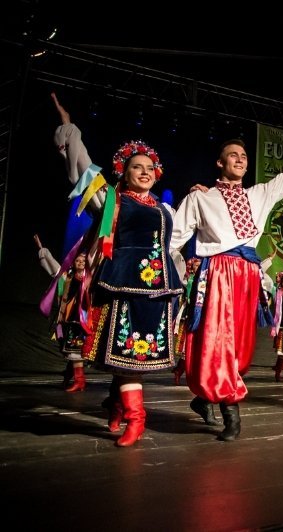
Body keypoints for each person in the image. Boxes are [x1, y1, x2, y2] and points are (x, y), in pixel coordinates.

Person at [51, 93, 184, 447]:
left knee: (134, 355)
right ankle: (136, 419)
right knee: (125, 355)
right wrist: (69, 129)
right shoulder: (112, 200)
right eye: (137, 167)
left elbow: (177, 241)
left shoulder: (166, 210)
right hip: (122, 284)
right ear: (124, 172)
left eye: (149, 168)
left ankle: (115, 404)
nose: (145, 172)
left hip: (157, 291)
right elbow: (84, 168)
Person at [171, 130, 283, 441]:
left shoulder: (259, 193)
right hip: (218, 272)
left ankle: (206, 398)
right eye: (233, 155)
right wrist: (169, 272)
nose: (240, 159)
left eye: (243, 156)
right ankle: (231, 409)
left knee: (240, 345)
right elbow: (174, 237)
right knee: (218, 341)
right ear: (219, 162)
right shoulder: (200, 198)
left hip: (248, 274)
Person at [35, 233, 88, 391]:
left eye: (83, 261)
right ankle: (71, 376)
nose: (80, 263)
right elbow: (53, 267)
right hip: (69, 318)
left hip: (85, 319)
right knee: (71, 349)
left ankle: (79, 380)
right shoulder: (67, 276)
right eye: (77, 260)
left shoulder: (90, 278)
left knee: (76, 349)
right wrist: (42, 249)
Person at [172, 257, 202, 387]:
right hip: (190, 316)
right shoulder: (189, 280)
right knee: (187, 350)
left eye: (199, 266)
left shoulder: (201, 280)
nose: (197, 268)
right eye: (195, 266)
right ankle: (179, 371)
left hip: (198, 316)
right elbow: (189, 298)